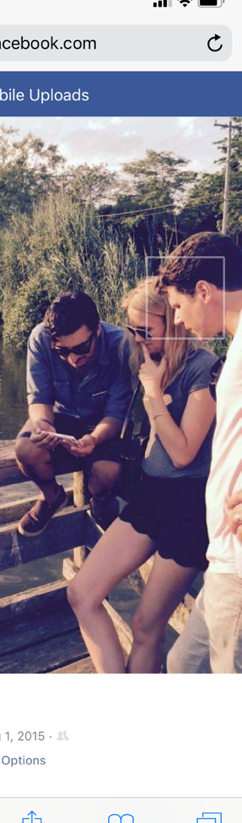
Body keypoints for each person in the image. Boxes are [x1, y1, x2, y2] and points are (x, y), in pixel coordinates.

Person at [67, 278, 217, 673]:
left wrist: (152, 395)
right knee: (82, 592)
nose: (136, 340)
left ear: (176, 322)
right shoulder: (143, 359)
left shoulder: (204, 370)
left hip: (188, 509)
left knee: (145, 626)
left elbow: (184, 453)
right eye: (132, 329)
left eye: (145, 331)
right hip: (149, 497)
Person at [157, 232, 242, 674]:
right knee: (182, 666)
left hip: (239, 563)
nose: (176, 317)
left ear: (204, 292)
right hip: (224, 555)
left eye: (176, 304)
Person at [15, 291, 133, 536]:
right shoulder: (40, 338)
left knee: (108, 472)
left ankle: (100, 501)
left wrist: (95, 439)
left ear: (97, 329)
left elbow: (116, 414)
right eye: (62, 351)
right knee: (26, 449)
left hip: (103, 425)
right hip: (61, 417)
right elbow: (39, 398)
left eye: (81, 348)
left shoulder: (122, 346)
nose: (72, 358)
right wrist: (43, 424)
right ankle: (51, 497)